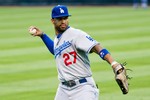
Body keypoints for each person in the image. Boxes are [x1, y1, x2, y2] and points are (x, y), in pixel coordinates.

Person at [29, 5, 128, 100]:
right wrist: (42, 35)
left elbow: (97, 47)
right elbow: (56, 50)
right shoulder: (58, 39)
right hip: (63, 89)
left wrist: (113, 63)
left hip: (83, 88)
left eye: (65, 18)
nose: (63, 21)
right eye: (60, 19)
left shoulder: (76, 34)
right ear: (52, 21)